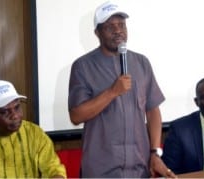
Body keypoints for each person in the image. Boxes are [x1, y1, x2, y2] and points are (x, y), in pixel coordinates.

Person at [68, 1, 176, 178]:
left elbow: (152, 110)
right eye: (110, 26)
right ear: (97, 33)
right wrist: (112, 92)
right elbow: (76, 115)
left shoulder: (141, 63)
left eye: (121, 25)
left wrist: (155, 152)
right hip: (101, 170)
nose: (118, 30)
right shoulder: (83, 67)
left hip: (139, 168)